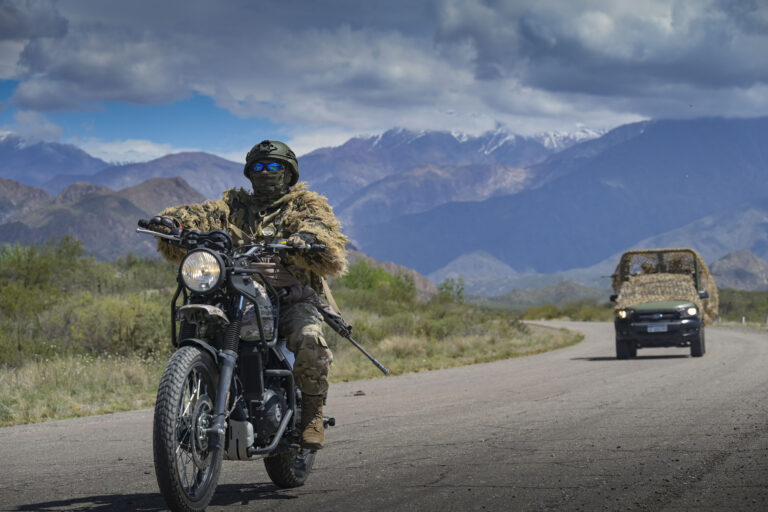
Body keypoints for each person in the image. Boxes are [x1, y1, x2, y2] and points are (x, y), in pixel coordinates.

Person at [152, 140, 347, 450]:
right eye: (258, 167)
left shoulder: (303, 205)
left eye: (273, 167)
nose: (265, 173)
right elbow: (202, 214)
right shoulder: (233, 207)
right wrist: (173, 221)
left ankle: (312, 412)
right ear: (248, 172)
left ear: (288, 172)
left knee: (310, 338)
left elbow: (321, 227)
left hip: (288, 297)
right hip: (236, 291)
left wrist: (306, 239)